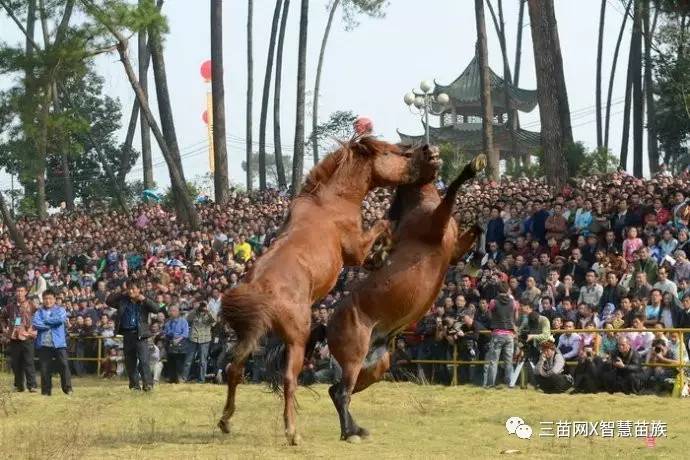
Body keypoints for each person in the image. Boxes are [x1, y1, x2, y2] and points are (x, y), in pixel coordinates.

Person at [106, 280, 161, 391]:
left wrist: (144, 299)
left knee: (144, 361)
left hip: (140, 335)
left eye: (133, 289)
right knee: (130, 362)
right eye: (129, 289)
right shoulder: (123, 301)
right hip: (127, 334)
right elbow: (109, 301)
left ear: (139, 290)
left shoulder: (144, 301)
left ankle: (148, 384)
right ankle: (134, 386)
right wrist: (122, 293)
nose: (130, 291)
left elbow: (156, 309)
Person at [32, 290, 73, 396]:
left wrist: (45, 320)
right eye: (45, 298)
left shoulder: (61, 309)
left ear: (55, 299)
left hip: (59, 343)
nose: (48, 301)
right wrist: (50, 324)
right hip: (44, 344)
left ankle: (67, 388)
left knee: (64, 365)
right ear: (43, 300)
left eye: (50, 298)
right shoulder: (38, 312)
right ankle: (46, 391)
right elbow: (36, 323)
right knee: (45, 368)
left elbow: (60, 320)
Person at [483, 282, 517, 388]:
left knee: (493, 361)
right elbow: (515, 317)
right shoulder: (513, 302)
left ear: (497, 291)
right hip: (510, 334)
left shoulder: (493, 302)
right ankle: (510, 384)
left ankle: (490, 384)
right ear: (507, 290)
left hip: (497, 334)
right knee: (509, 361)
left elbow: (489, 315)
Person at [6, 285, 38, 392]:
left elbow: (39, 318)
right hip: (14, 337)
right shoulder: (10, 306)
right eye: (18, 291)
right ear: (15, 292)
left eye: (21, 291)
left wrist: (33, 330)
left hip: (27, 337)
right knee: (16, 363)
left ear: (25, 292)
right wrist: (5, 329)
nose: (19, 293)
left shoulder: (32, 305)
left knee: (29, 362)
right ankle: (19, 386)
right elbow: (2, 317)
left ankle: (32, 386)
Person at [183, 302, 215, 383]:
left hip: (205, 339)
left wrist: (208, 311)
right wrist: (195, 309)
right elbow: (187, 320)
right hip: (193, 338)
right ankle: (184, 378)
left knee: (203, 361)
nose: (202, 307)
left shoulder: (210, 313)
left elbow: (214, 322)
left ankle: (201, 379)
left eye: (204, 306)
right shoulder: (194, 313)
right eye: (201, 306)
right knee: (188, 360)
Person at [164, 305, 189, 383]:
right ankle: (172, 378)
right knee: (171, 362)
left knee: (179, 363)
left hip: (181, 345)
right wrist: (172, 336)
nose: (172, 312)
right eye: (170, 311)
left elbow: (185, 334)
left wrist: (178, 339)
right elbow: (166, 333)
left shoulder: (183, 321)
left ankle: (180, 378)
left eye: (174, 311)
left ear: (178, 312)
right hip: (171, 344)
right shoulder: (168, 323)